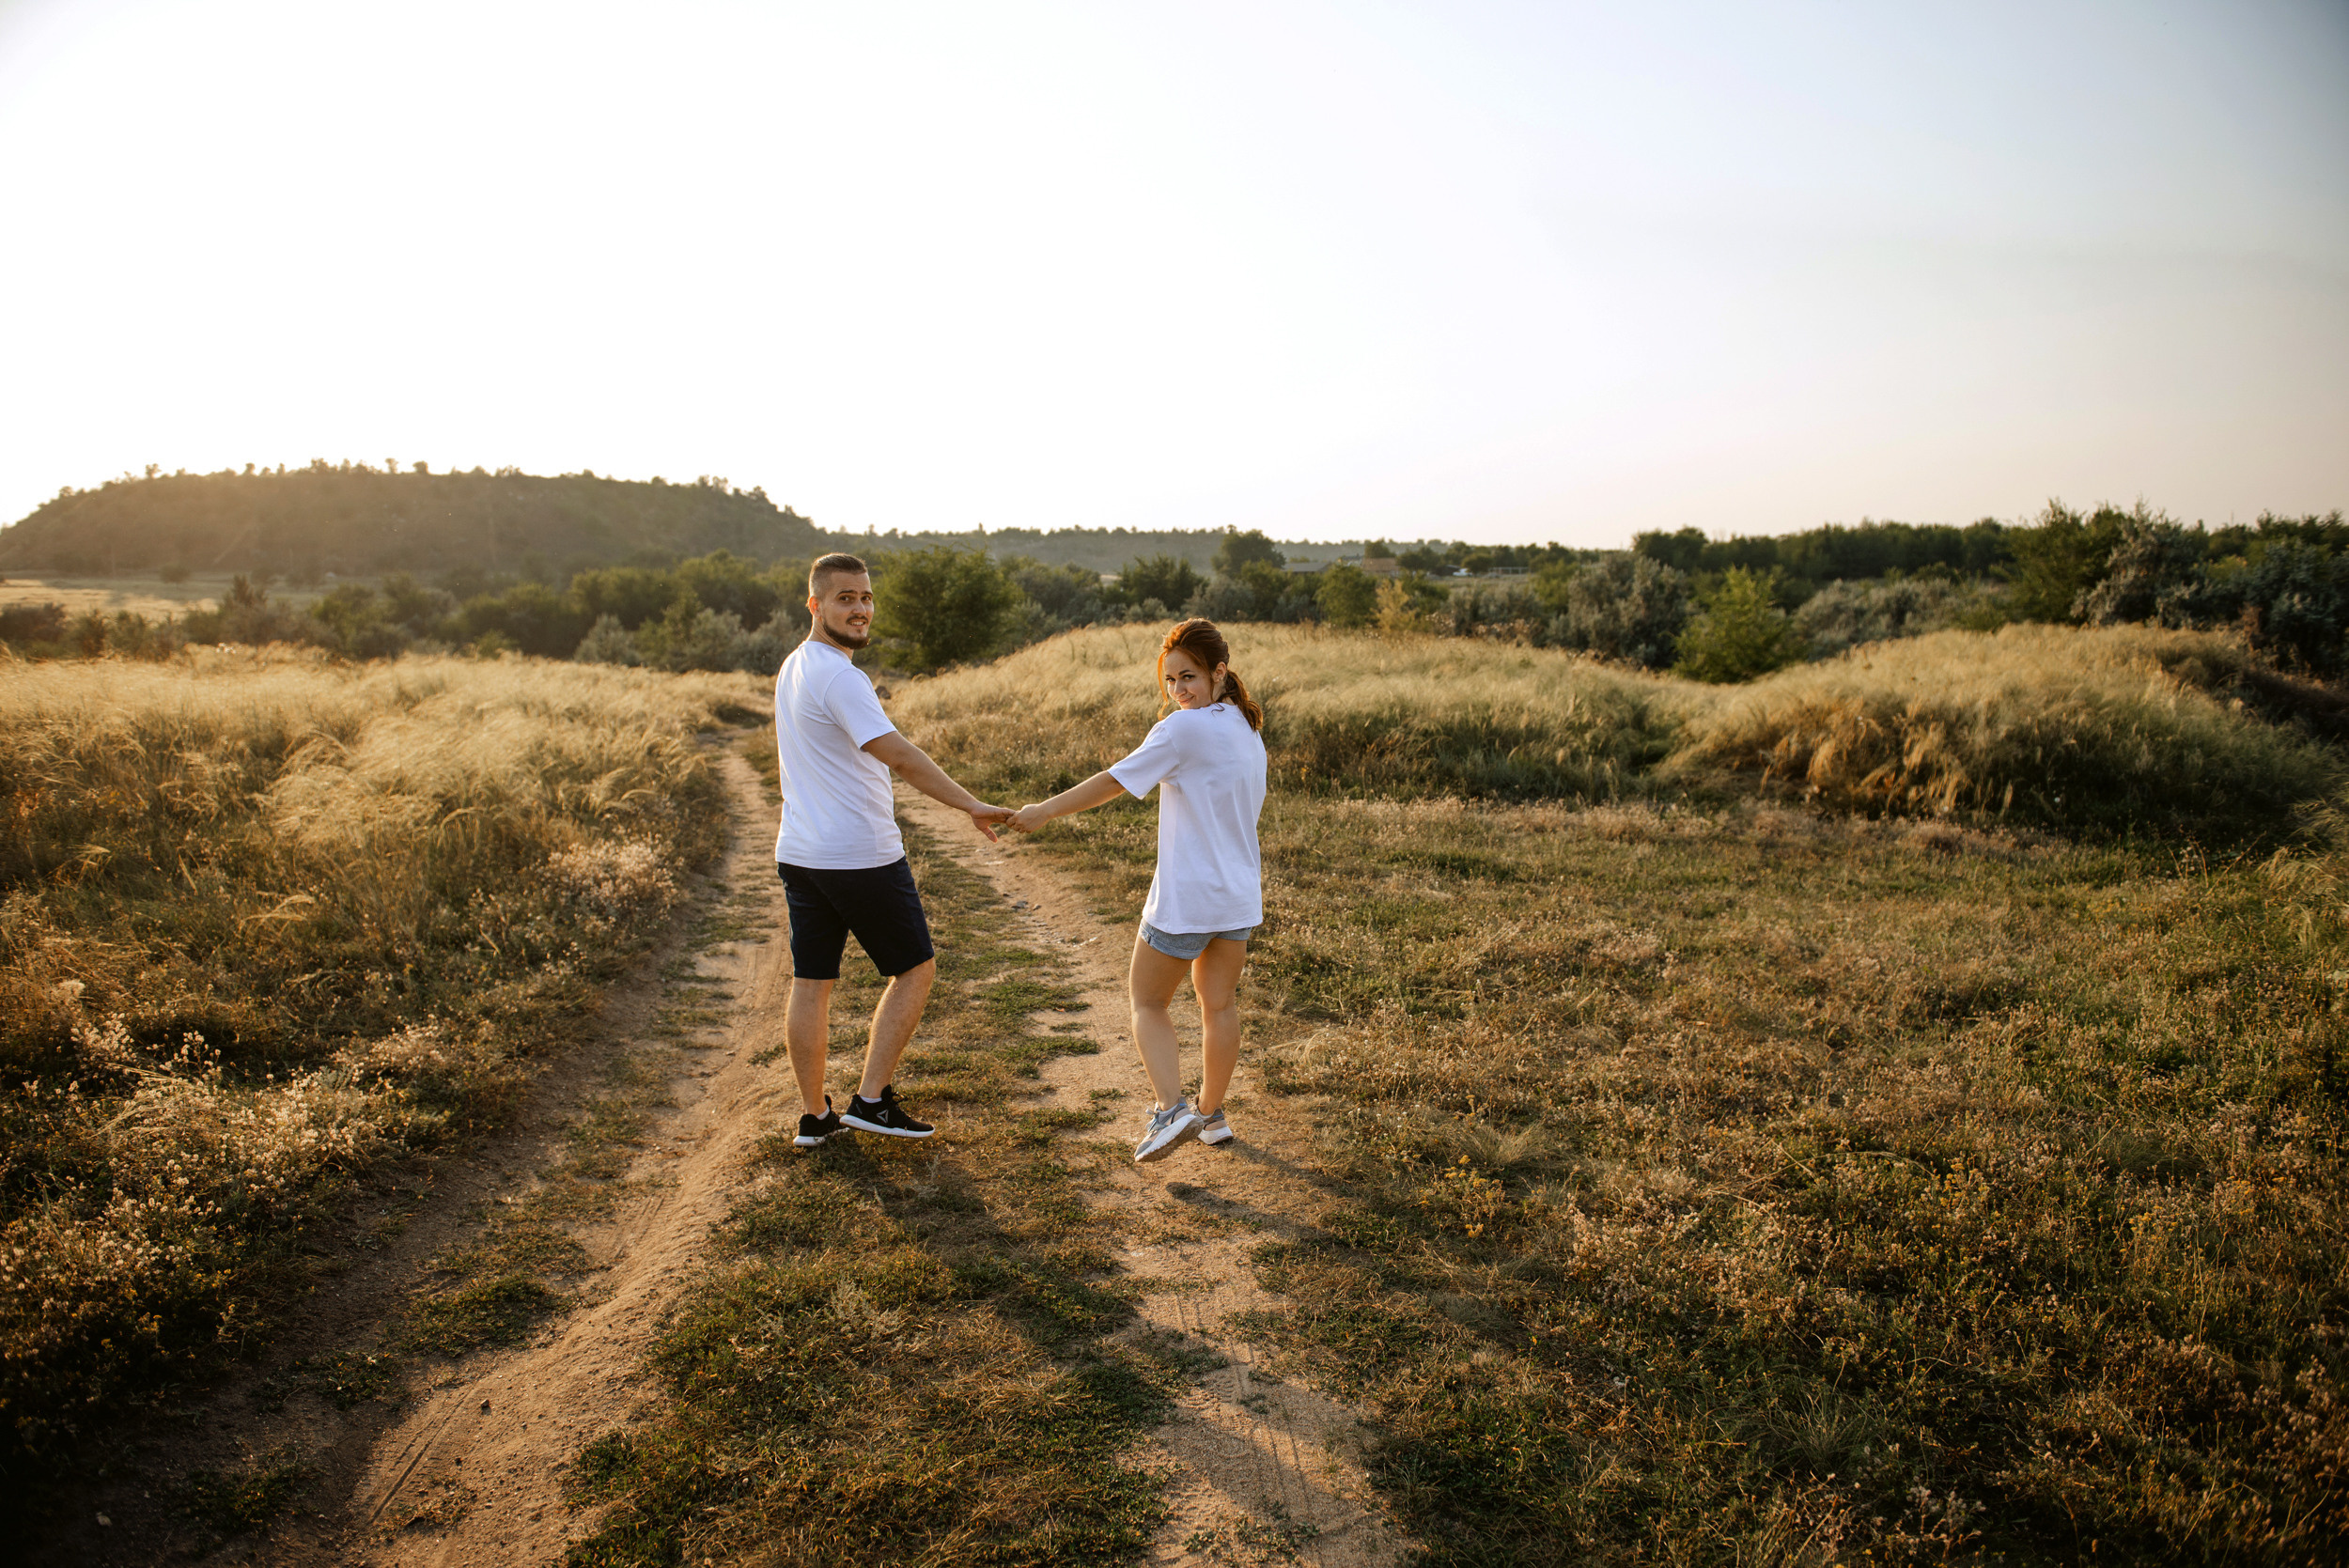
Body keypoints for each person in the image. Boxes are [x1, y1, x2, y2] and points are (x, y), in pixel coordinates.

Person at [1008, 618, 1268, 1162]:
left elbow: (1112, 781)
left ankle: (1171, 1110)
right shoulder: (1246, 726)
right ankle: (1211, 1115)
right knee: (1219, 1005)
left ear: (1220, 672)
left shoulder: (1181, 730)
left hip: (1186, 899)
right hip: (1237, 897)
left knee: (1147, 1002)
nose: (1178, 691)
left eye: (1189, 676)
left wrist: (1044, 810)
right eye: (1170, 680)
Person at [776, 551, 1011, 1148]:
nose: (860, 609)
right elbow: (901, 756)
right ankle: (872, 1102)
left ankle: (815, 1117)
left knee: (812, 981)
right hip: (858, 855)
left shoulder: (795, 665)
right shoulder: (841, 677)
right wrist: (971, 805)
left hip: (802, 852)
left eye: (866, 597)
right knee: (915, 969)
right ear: (815, 605)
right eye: (845, 598)